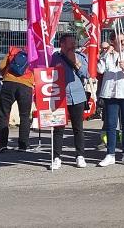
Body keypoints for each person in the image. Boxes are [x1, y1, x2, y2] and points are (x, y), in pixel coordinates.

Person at [97, 33, 124, 167]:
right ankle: (110, 154)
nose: (123, 43)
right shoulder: (107, 54)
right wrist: (106, 54)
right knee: (111, 124)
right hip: (110, 93)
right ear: (112, 41)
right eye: (120, 40)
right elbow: (100, 69)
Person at [50, 34, 89, 169]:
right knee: (58, 128)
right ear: (62, 44)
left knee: (78, 128)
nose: (73, 45)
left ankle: (80, 156)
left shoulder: (81, 56)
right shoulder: (54, 57)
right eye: (70, 43)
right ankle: (56, 157)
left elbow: (86, 74)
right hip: (59, 96)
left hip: (77, 96)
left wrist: (76, 62)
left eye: (74, 42)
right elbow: (47, 74)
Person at [0, 46, 35, 153]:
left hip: (8, 84)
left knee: (4, 115)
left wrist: (7, 76)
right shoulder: (34, 53)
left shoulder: (13, 51)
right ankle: (23, 145)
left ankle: (2, 145)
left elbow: (1, 66)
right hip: (26, 86)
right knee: (25, 116)